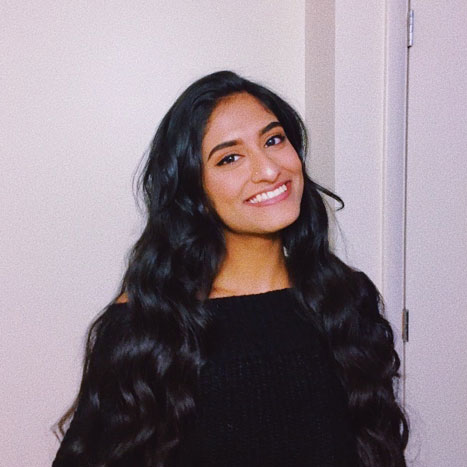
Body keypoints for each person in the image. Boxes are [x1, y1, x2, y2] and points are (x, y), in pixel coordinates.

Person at [52, 70, 409, 467]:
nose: (269, 170)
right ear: (194, 191)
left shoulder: (347, 298)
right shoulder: (149, 322)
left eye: (274, 140)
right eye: (229, 158)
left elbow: (380, 449)